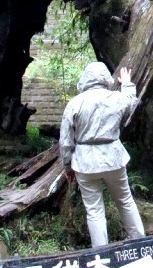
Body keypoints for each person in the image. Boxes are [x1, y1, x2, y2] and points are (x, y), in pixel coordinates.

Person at [59, 61, 145, 247]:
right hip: (113, 158)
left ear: (85, 79)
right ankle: (140, 243)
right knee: (125, 201)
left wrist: (67, 165)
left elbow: (66, 142)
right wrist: (127, 84)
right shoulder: (116, 98)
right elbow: (131, 102)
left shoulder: (74, 103)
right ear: (106, 78)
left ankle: (101, 253)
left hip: (84, 163)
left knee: (94, 211)